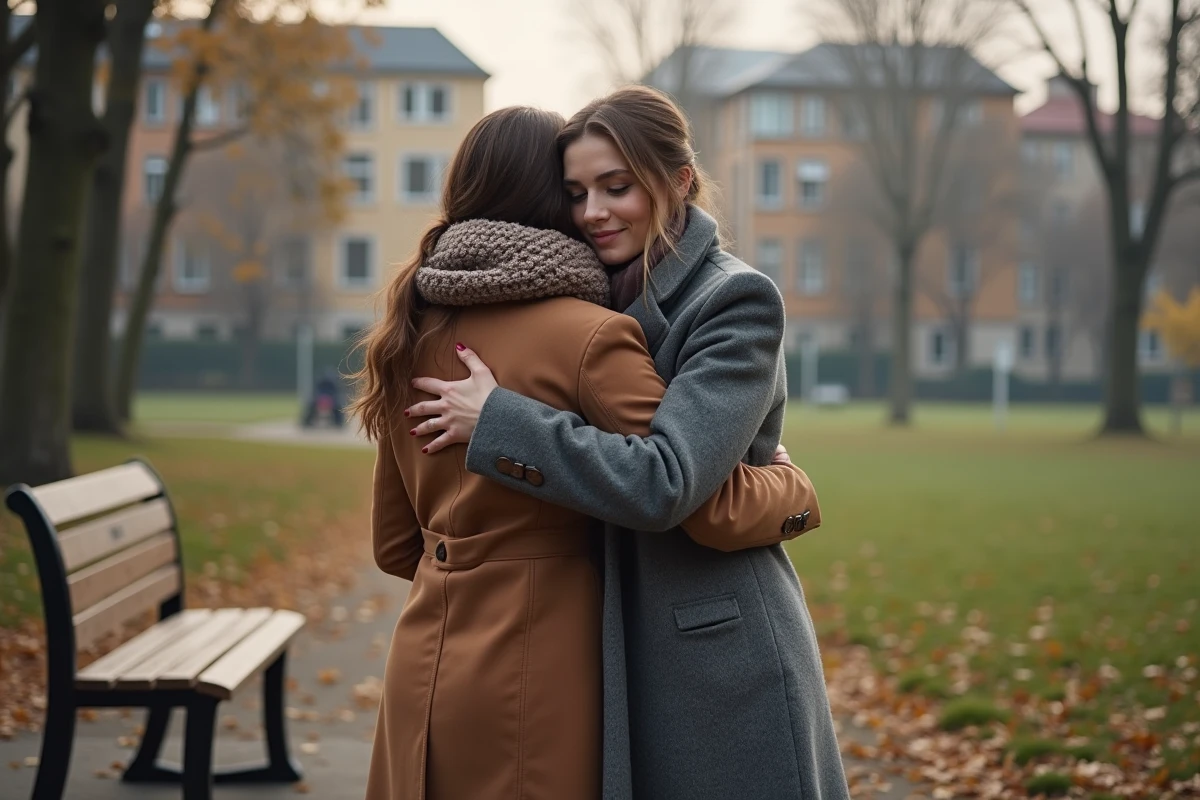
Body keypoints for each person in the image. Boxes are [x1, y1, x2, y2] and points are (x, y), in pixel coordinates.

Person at [350, 105, 822, 800]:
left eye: (616, 187)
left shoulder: (413, 330)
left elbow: (398, 546)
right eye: (577, 193)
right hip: (565, 656)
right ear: (551, 198)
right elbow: (663, 487)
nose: (595, 211)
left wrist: (502, 439)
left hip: (709, 648)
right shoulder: (590, 327)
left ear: (679, 182)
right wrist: (796, 492)